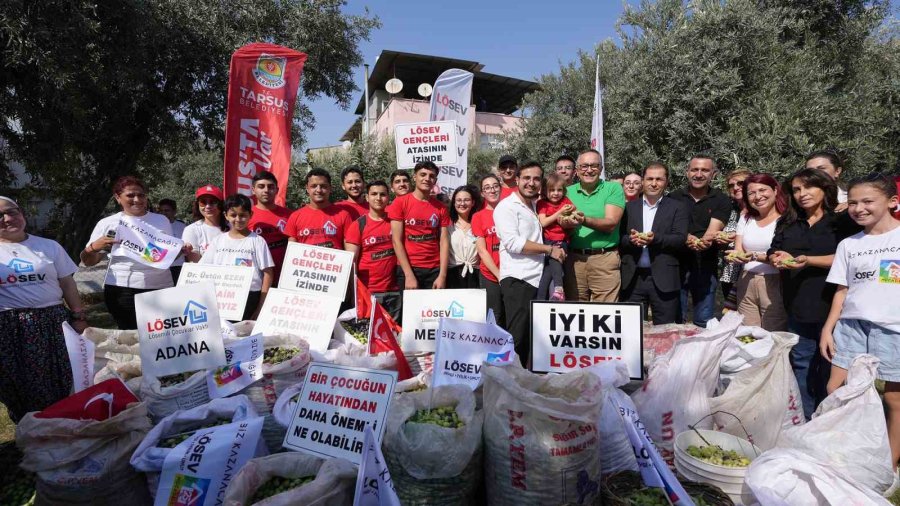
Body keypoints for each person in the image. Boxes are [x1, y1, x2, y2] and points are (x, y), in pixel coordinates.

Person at [820, 174, 900, 471]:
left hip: (893, 329)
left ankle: (889, 465)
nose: (858, 208)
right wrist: (828, 328)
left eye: (868, 201)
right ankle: (843, 452)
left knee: (894, 399)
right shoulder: (848, 245)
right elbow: (842, 291)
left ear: (892, 201)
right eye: (853, 202)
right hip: (851, 327)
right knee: (836, 389)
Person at [768, 168, 859, 418]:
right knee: (802, 362)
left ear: (825, 188)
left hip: (832, 304)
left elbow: (848, 258)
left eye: (808, 187)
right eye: (796, 189)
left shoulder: (841, 221)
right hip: (797, 303)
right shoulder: (787, 221)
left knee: (830, 366)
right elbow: (773, 249)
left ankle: (830, 418)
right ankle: (804, 418)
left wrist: (808, 260)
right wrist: (777, 257)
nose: (802, 194)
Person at [0, 196, 85, 422]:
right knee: (17, 381)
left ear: (22, 212)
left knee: (63, 375)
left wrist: (78, 316)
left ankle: (64, 423)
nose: (8, 219)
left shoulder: (48, 246)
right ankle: (31, 428)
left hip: (53, 320)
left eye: (12, 211)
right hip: (11, 327)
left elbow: (67, 283)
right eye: (0, 216)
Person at [495, 161, 565, 366]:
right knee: (517, 337)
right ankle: (507, 386)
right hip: (519, 278)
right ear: (516, 180)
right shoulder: (506, 207)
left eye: (536, 179)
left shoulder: (536, 206)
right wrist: (549, 250)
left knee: (533, 339)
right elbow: (513, 243)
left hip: (538, 278)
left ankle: (525, 385)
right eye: (526, 178)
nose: (531, 183)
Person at [81, 176, 174, 329]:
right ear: (118, 198)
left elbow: (166, 256)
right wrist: (93, 247)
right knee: (132, 338)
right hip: (123, 290)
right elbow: (88, 261)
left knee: (161, 340)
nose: (137, 199)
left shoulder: (161, 220)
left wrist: (182, 250)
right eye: (130, 195)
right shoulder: (107, 223)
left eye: (141, 195)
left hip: (160, 287)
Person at [619, 162, 688, 324]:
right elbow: (618, 238)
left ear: (666, 181)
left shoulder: (678, 207)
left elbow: (680, 238)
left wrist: (654, 239)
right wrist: (630, 240)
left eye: (659, 179)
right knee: (631, 330)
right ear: (642, 181)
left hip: (664, 277)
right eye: (650, 178)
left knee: (665, 332)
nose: (654, 183)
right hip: (632, 278)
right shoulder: (628, 208)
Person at [669, 155, 732, 327]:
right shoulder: (673, 198)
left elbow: (714, 228)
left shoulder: (721, 200)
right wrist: (686, 237)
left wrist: (705, 240)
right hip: (676, 267)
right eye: (694, 169)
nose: (699, 174)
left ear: (713, 174)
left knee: (703, 321)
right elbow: (671, 227)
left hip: (706, 265)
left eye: (704, 170)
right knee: (675, 321)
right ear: (687, 172)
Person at [725, 174, 788, 331]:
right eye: (751, 193)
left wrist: (754, 256)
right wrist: (735, 256)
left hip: (775, 282)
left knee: (773, 333)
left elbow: (785, 257)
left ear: (774, 190)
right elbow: (738, 249)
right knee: (748, 334)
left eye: (762, 190)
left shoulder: (786, 220)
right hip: (746, 280)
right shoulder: (746, 218)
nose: (758, 196)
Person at [564, 149, 626, 302]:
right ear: (577, 170)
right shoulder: (566, 192)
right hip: (574, 260)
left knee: (605, 313)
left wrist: (583, 220)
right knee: (576, 311)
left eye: (594, 166)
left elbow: (611, 223)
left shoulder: (613, 188)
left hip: (604, 259)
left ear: (601, 169)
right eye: (584, 166)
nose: (589, 170)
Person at [200, 194, 274, 321]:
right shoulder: (218, 241)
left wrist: (260, 307)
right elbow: (202, 270)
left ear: (251, 214)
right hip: (221, 298)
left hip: (250, 298)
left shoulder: (257, 241)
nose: (238, 219)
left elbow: (268, 273)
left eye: (243, 215)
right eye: (233, 215)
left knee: (244, 338)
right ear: (225, 215)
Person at [387, 161, 450, 292]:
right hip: (409, 269)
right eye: (423, 174)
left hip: (434, 269)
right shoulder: (400, 203)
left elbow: (444, 242)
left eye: (431, 176)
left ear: (435, 180)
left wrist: (442, 275)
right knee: (410, 312)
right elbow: (396, 241)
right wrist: (409, 275)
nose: (427, 178)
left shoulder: (441, 208)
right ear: (415, 177)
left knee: (434, 312)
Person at [345, 181, 400, 319]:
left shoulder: (395, 222)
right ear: (367, 197)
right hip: (369, 292)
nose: (378, 198)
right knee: (372, 337)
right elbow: (351, 263)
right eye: (374, 194)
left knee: (395, 337)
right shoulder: (358, 225)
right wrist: (354, 293)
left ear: (388, 198)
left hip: (395, 291)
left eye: (383, 194)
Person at [285, 168, 353, 249]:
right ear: (307, 188)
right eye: (314, 186)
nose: (318, 190)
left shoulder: (343, 215)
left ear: (330, 188)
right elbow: (292, 252)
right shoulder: (295, 217)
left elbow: (350, 250)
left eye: (323, 186)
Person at [247, 171, 292, 284]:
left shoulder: (290, 215)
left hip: (285, 275)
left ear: (277, 190)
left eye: (270, 187)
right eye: (261, 187)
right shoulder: (246, 216)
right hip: (256, 277)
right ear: (253, 190)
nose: (266, 190)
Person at [472, 174, 505, 327]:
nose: (492, 190)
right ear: (482, 193)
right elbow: (482, 251)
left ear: (500, 188)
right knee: (495, 315)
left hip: (512, 272)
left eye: (495, 186)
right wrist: (498, 275)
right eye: (487, 188)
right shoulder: (478, 217)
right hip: (491, 275)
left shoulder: (511, 210)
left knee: (512, 313)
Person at [717, 168, 751, 309]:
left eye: (741, 183)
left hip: (749, 272)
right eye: (731, 185)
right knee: (732, 316)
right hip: (729, 272)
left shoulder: (761, 211)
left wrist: (735, 238)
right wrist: (719, 239)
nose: (736, 187)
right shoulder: (729, 209)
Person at [537, 173, 574, 300]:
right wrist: (559, 212)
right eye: (552, 190)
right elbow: (543, 222)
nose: (555, 193)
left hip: (562, 240)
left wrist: (571, 216)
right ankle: (540, 299)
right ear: (545, 191)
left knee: (554, 260)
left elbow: (574, 213)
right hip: (547, 241)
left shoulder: (565, 202)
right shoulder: (542, 204)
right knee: (547, 271)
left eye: (559, 190)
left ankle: (559, 289)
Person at [447, 185, 481, 289]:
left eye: (466, 200)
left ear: (473, 202)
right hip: (453, 275)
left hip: (475, 274)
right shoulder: (448, 225)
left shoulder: (479, 223)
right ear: (454, 203)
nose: (462, 203)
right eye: (459, 200)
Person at [182, 185, 228, 262]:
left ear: (221, 204)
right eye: (203, 202)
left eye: (213, 202)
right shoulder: (191, 230)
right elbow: (195, 263)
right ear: (198, 205)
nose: (208, 206)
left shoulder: (233, 227)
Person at [157, 198, 186, 283]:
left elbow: (183, 246)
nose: (163, 213)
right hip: (161, 267)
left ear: (174, 211)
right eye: (161, 211)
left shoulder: (182, 226)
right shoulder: (154, 226)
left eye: (167, 210)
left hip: (178, 266)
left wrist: (170, 259)